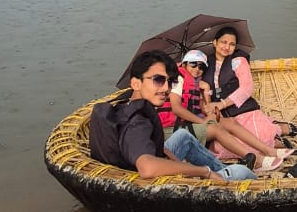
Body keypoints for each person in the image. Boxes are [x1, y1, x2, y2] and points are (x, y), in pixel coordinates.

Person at [88, 50, 265, 181]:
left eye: (170, 82)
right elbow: (147, 168)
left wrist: (187, 168)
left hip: (131, 161)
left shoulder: (125, 104)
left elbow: (157, 147)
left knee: (182, 137)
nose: (166, 88)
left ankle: (221, 169)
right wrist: (204, 172)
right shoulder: (138, 123)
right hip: (144, 179)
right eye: (158, 80)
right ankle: (227, 174)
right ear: (135, 83)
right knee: (243, 173)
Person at [161, 48, 289, 172]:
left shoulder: (196, 84)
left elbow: (206, 110)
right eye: (193, 64)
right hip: (174, 131)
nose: (197, 69)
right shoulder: (178, 80)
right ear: (184, 64)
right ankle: (257, 161)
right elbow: (176, 109)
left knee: (230, 122)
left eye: (201, 67)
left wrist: (206, 92)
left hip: (189, 125)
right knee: (216, 129)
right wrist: (202, 122)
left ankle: (268, 150)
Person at [202, 26, 297, 162]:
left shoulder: (238, 60)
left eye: (232, 44)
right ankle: (274, 134)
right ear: (215, 42)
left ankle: (277, 129)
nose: (227, 47)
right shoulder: (205, 63)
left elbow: (247, 88)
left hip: (243, 110)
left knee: (261, 135)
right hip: (223, 117)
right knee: (221, 147)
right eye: (223, 42)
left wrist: (221, 104)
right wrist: (206, 91)